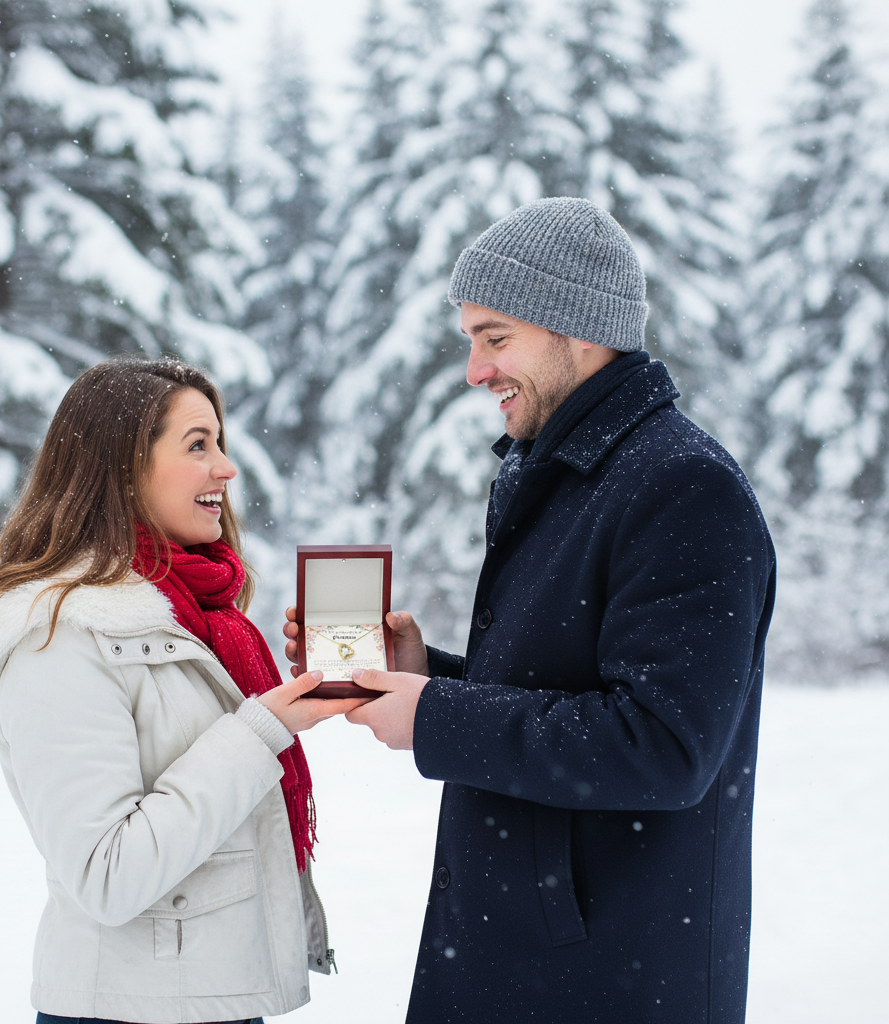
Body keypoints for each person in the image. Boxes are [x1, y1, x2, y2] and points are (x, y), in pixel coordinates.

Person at [285, 197, 776, 1023]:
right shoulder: (567, 472)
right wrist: (426, 674)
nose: (476, 370)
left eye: (495, 337)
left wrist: (438, 716)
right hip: (528, 952)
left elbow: (663, 746)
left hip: (610, 976)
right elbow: (565, 682)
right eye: (472, 340)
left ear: (578, 328)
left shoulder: (682, 488)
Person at [0, 358, 367, 1024]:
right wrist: (255, 732)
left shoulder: (201, 621)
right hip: (124, 1013)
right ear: (122, 469)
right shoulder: (59, 637)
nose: (227, 468)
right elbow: (109, 876)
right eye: (198, 446)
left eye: (221, 443)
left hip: (208, 1002)